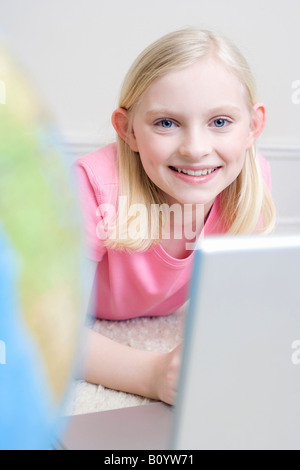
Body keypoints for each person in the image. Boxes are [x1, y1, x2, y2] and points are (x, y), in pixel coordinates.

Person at [74, 28, 276, 405]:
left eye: (219, 122)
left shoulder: (249, 182)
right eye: (167, 123)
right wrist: (150, 375)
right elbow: (45, 330)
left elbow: (239, 305)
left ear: (253, 127)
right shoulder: (91, 186)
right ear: (128, 130)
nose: (196, 149)